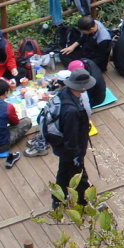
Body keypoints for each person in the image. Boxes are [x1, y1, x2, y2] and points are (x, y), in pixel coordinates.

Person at [48, 68, 97, 208]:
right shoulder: (71, 111)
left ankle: (57, 200)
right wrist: (75, 155)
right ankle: (84, 202)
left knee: (63, 172)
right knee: (80, 175)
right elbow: (71, 135)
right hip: (70, 149)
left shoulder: (64, 92)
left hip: (62, 146)